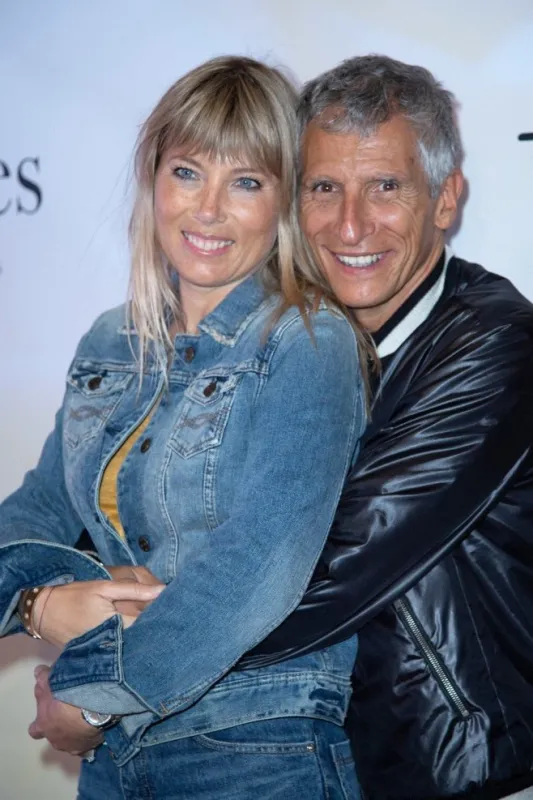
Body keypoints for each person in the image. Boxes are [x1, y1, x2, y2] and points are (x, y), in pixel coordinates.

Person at [0, 56, 368, 799]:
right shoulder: (113, 340)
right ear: (154, 178)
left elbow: (257, 565)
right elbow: (34, 514)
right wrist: (40, 603)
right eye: (188, 172)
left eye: (246, 182)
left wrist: (91, 695)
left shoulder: (308, 341)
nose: (207, 210)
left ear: (285, 200)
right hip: (115, 761)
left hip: (257, 749)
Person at [239, 55, 533, 799]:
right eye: (324, 188)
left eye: (385, 187)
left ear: (445, 198)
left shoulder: (496, 340)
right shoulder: (283, 341)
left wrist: (125, 665)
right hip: (312, 769)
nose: (350, 224)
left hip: (465, 773)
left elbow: (335, 560)